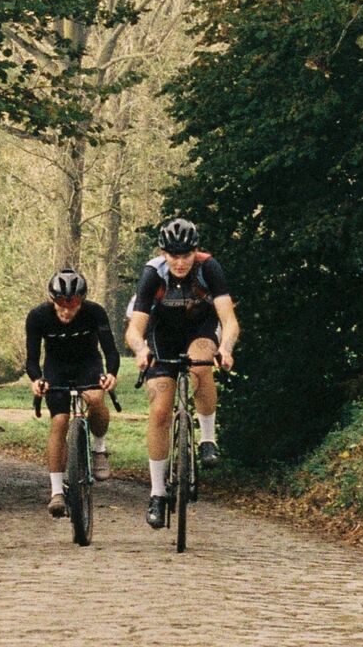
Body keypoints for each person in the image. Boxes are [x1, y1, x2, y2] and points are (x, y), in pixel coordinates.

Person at [125, 216, 238, 529]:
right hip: (162, 335)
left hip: (200, 329)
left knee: (201, 362)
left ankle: (207, 439)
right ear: (163, 253)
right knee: (160, 410)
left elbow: (228, 319)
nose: (179, 262)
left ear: (195, 251)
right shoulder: (153, 274)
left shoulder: (209, 268)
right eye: (173, 255)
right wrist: (140, 350)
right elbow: (135, 328)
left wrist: (225, 349)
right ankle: (158, 494)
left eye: (185, 254)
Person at [24, 269, 120, 516]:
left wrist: (111, 374)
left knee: (95, 398)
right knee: (59, 421)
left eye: (74, 305)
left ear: (82, 301)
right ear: (52, 300)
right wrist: (36, 380)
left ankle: (99, 448)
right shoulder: (38, 317)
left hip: (88, 364)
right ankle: (56, 491)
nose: (67, 311)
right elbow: (32, 359)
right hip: (56, 368)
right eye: (61, 305)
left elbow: (111, 350)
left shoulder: (95, 312)